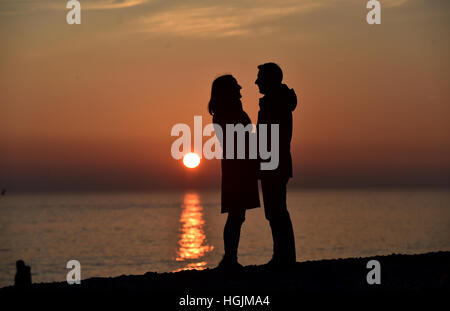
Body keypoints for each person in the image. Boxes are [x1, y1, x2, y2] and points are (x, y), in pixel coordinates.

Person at [208, 75, 260, 271]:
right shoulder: (228, 113)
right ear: (228, 91)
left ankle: (230, 257)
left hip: (237, 166)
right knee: (236, 215)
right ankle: (230, 258)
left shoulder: (226, 112)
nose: (240, 90)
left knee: (237, 215)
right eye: (236, 87)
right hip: (237, 168)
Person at [255, 62, 297, 267]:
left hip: (274, 164)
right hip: (273, 163)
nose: (256, 82)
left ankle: (284, 258)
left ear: (269, 80)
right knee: (276, 210)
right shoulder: (276, 102)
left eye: (260, 78)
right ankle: (282, 256)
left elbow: (269, 138)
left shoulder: (275, 103)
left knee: (276, 210)